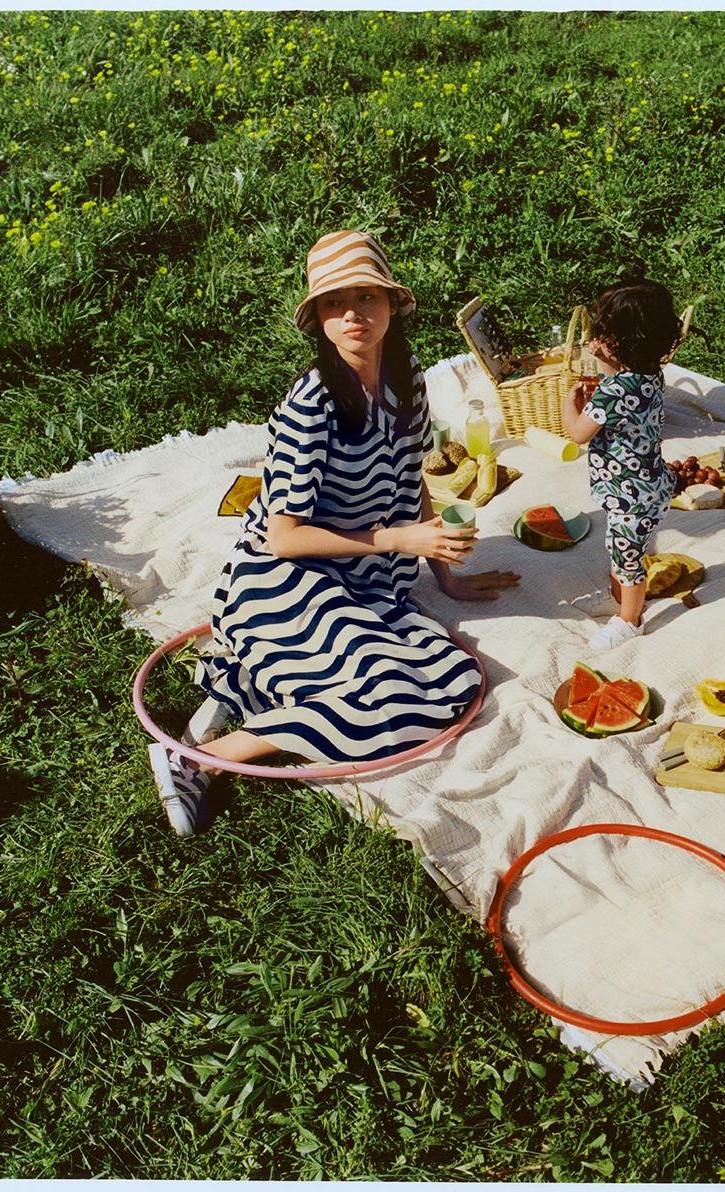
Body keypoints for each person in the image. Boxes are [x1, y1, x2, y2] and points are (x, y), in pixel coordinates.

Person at [148, 229, 519, 836]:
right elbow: (283, 538)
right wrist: (398, 540)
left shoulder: (406, 379)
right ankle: (197, 760)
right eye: (334, 302)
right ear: (318, 318)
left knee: (452, 680)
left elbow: (412, 477)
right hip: (283, 578)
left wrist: (445, 575)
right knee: (391, 700)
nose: (352, 314)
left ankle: (241, 700)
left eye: (366, 297)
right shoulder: (312, 405)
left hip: (368, 581)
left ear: (391, 304)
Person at [559, 278, 683, 650]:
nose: (596, 339)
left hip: (631, 497)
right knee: (619, 547)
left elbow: (578, 434)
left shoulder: (613, 391)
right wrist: (607, 364)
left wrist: (568, 404)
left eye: (603, 333)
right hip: (648, 484)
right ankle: (619, 599)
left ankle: (630, 619)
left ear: (621, 341)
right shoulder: (649, 374)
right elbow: (622, 392)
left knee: (628, 558)